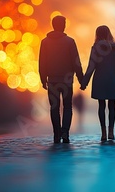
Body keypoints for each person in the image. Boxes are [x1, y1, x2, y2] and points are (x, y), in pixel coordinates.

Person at [39, 15, 83, 144]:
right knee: (68, 106)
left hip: (52, 80)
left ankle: (56, 134)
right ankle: (65, 133)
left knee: (54, 107)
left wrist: (43, 79)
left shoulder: (45, 42)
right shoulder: (70, 41)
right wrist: (81, 79)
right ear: (63, 25)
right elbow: (76, 62)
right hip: (67, 81)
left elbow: (42, 62)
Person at [81, 25, 115, 141]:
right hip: (113, 80)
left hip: (99, 80)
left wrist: (84, 82)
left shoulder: (95, 48)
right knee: (112, 106)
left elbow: (91, 67)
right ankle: (111, 132)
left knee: (101, 106)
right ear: (109, 34)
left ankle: (103, 133)